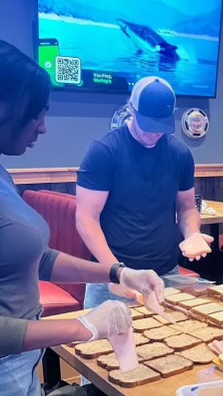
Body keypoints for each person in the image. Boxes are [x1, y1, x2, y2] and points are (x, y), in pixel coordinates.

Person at [0, 40, 165, 396]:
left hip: (21, 369)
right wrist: (83, 325)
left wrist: (118, 272)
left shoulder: (3, 172)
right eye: (36, 113)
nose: (44, 126)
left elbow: (39, 257)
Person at [76, 76, 213, 308]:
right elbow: (86, 219)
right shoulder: (104, 151)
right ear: (131, 108)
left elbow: (187, 207)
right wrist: (118, 272)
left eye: (161, 126)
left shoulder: (180, 154)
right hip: (112, 273)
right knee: (103, 344)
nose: (154, 133)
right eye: (148, 124)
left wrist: (192, 233)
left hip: (165, 273)